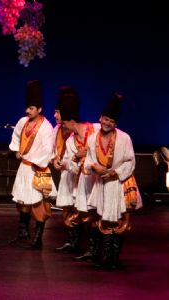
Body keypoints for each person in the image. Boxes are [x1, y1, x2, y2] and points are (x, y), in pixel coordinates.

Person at [83, 93, 142, 269]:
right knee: (103, 218)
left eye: (112, 121)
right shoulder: (93, 138)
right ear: (100, 118)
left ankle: (114, 258)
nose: (107, 123)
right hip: (101, 182)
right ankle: (105, 256)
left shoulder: (124, 138)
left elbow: (130, 161)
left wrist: (114, 173)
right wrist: (94, 167)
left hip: (117, 183)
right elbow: (88, 159)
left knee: (117, 220)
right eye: (106, 119)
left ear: (116, 124)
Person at [8, 80, 55, 249]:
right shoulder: (22, 122)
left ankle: (38, 239)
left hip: (39, 169)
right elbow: (16, 138)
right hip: (24, 168)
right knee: (23, 201)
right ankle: (23, 233)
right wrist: (16, 151)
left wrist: (36, 161)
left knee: (39, 204)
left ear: (40, 109)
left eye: (31, 108)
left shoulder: (46, 127)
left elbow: (48, 150)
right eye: (27, 108)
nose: (27, 111)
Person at [54, 90, 101, 257]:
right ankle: (89, 248)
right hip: (82, 181)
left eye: (64, 123)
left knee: (97, 215)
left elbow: (107, 146)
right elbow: (71, 166)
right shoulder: (70, 141)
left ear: (72, 121)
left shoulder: (95, 129)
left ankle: (96, 249)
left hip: (98, 179)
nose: (62, 126)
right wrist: (71, 159)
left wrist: (87, 153)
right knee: (85, 214)